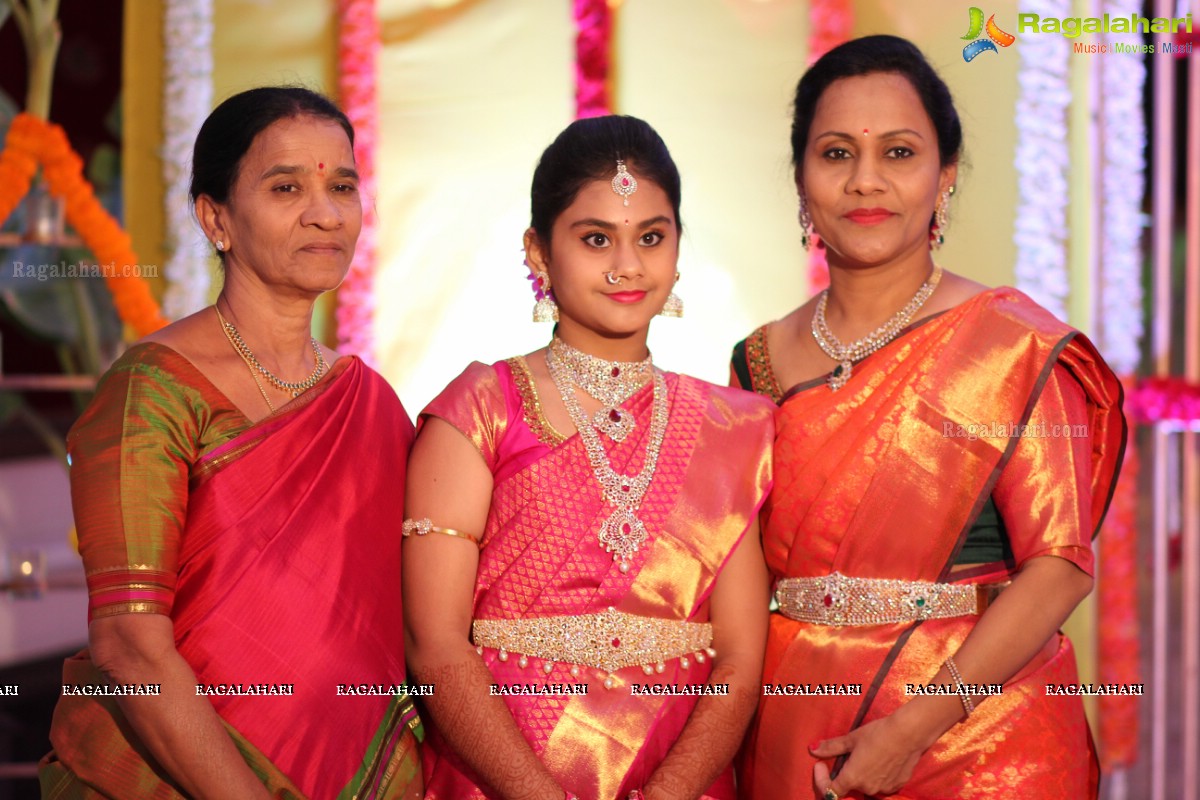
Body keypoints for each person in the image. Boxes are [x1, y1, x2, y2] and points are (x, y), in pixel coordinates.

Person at [732, 36, 1124, 800]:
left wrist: (911, 732)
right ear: (801, 180)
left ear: (944, 177)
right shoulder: (758, 363)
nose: (865, 180)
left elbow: (1060, 568)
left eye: (900, 153)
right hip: (798, 730)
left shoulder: (1013, 344)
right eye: (837, 153)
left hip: (980, 739)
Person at [38, 87, 422, 800]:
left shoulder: (367, 403)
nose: (325, 212)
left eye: (342, 186)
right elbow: (128, 647)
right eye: (286, 187)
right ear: (216, 218)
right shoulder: (154, 391)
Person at [403, 115, 774, 800]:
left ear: (678, 249)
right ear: (539, 252)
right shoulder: (479, 408)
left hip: (681, 775)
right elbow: (436, 646)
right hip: (498, 777)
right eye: (596, 238)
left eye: (651, 238)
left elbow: (741, 660)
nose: (628, 266)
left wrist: (670, 793)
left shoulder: (733, 427)